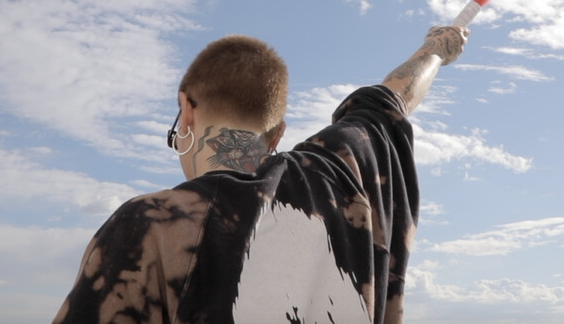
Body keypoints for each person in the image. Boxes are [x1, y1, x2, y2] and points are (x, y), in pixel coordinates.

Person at [52, 25, 469, 324]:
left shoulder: (149, 225)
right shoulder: (342, 175)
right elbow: (393, 98)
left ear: (187, 110)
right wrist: (437, 48)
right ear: (277, 135)